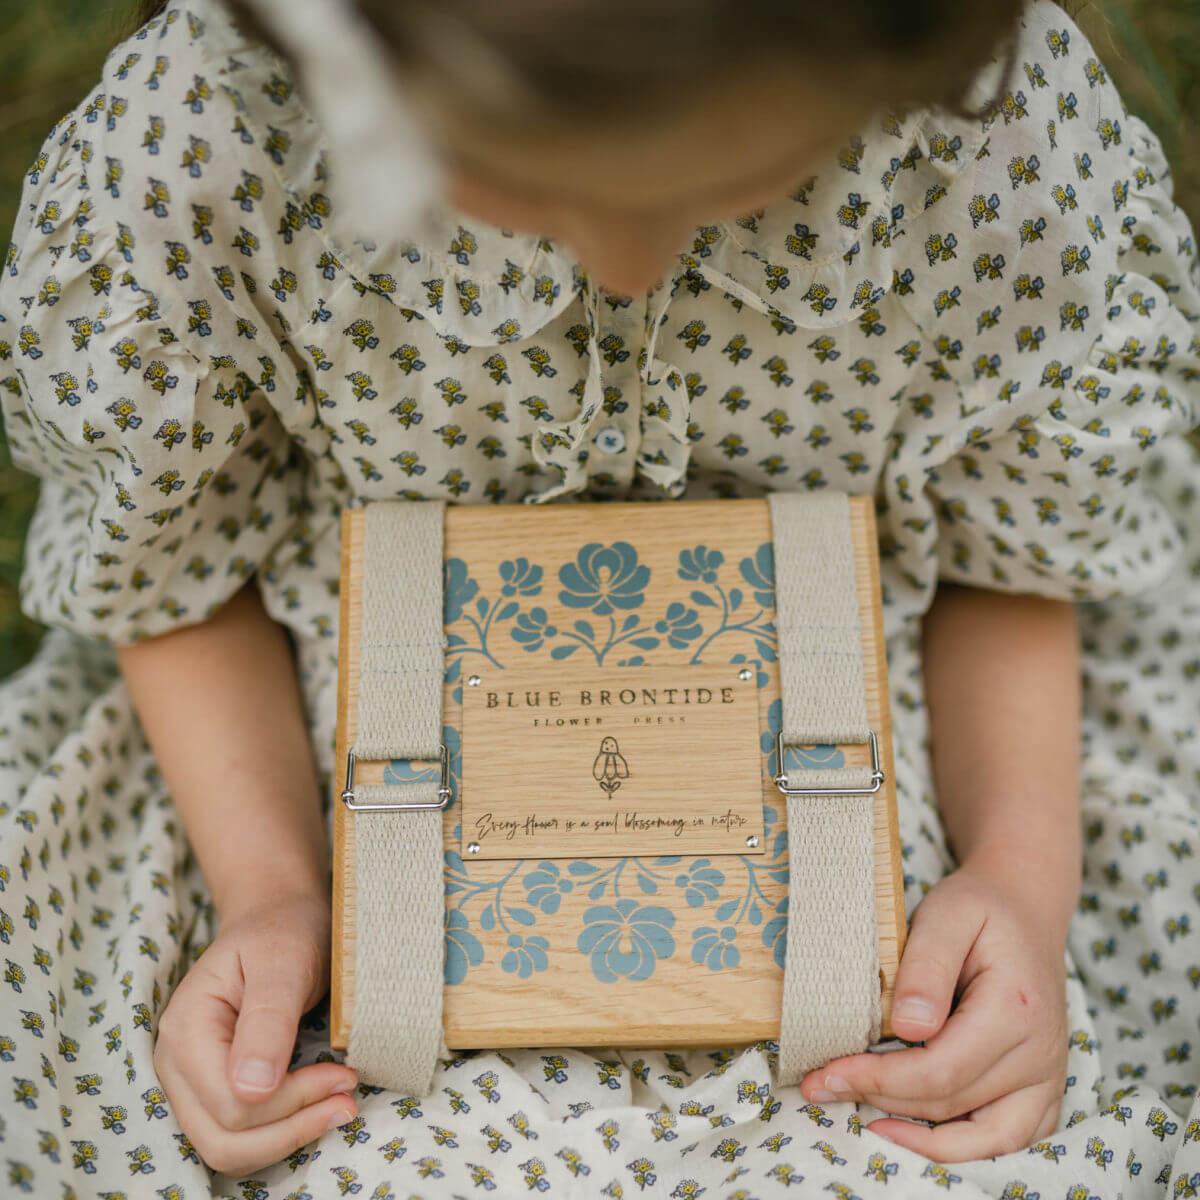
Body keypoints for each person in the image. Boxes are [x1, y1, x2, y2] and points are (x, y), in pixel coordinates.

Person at [0, 0, 1197, 1193]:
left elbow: (1010, 561)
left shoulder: (999, 146)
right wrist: (270, 891)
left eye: (736, 184)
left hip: (891, 733)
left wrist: (1021, 881)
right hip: (324, 762)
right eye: (515, 187)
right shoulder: (205, 147)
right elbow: (183, 566)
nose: (626, 268)